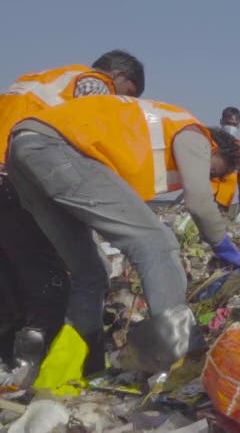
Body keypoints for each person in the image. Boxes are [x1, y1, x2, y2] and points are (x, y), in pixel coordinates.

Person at [5, 95, 240, 379]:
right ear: (215, 149)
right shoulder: (195, 133)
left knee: (90, 273)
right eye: (212, 170)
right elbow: (198, 201)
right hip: (57, 147)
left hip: (23, 148)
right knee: (157, 243)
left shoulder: (145, 138)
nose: (205, 175)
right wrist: (225, 248)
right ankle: (183, 363)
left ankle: (70, 371)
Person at [0, 50, 145, 373]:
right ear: (119, 77)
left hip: (6, 175)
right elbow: (80, 138)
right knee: (51, 281)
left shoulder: (41, 79)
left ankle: (9, 360)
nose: (123, 104)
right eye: (129, 95)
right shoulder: (94, 83)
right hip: (14, 178)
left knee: (10, 278)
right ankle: (41, 366)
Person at [211, 106, 240, 211]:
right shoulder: (211, 139)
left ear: (239, 125)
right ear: (221, 121)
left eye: (234, 124)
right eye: (228, 123)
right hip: (206, 192)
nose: (231, 126)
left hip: (225, 198)